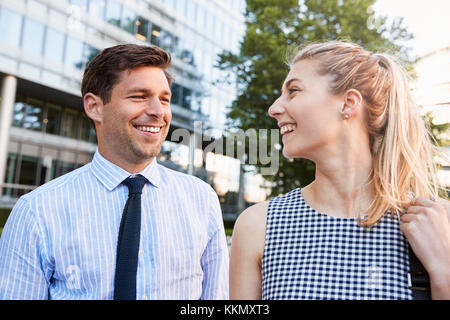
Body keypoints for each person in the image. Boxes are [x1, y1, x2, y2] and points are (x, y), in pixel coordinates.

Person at [0, 44, 229, 300]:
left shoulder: (201, 199)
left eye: (164, 99)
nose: (158, 112)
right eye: (140, 96)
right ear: (94, 107)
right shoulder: (36, 211)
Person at [230, 40, 450, 300]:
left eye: (294, 91)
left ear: (348, 104)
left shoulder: (438, 222)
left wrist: (443, 271)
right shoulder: (258, 225)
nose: (274, 108)